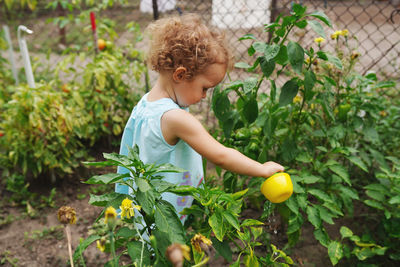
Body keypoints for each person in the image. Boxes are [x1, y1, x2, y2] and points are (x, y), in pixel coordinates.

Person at [115, 14, 284, 223]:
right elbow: (220, 156)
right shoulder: (175, 118)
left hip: (144, 207)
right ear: (180, 75)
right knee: (168, 253)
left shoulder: (146, 103)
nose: (204, 96)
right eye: (205, 88)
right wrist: (262, 169)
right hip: (165, 219)